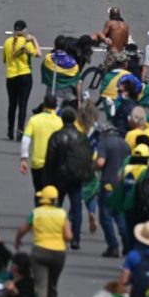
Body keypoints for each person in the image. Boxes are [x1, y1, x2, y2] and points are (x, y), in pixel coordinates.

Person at [14, 185, 73, 297]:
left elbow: (22, 230)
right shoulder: (62, 214)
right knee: (52, 286)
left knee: (41, 286)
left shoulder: (36, 213)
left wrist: (17, 240)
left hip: (40, 252)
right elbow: (69, 236)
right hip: (58, 253)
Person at [43, 106, 90, 249]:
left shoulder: (57, 136)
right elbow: (86, 157)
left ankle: (54, 234)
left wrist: (47, 179)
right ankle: (76, 239)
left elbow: (50, 158)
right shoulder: (81, 136)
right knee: (76, 208)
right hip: (76, 176)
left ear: (62, 119)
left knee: (55, 206)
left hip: (59, 177)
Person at [95, 123, 130, 258]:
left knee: (106, 216)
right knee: (120, 215)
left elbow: (100, 163)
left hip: (108, 183)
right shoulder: (124, 143)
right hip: (121, 184)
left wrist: (93, 167)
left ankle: (113, 246)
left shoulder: (104, 143)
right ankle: (127, 244)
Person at [3, 20, 40, 141]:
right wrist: (34, 39)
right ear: (24, 30)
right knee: (22, 105)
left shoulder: (7, 42)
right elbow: (38, 54)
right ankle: (20, 130)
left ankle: (10, 130)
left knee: (12, 104)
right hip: (25, 75)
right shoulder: (27, 42)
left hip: (11, 76)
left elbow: (5, 60)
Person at [20, 95, 63, 192]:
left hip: (37, 163)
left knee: (38, 192)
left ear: (44, 105)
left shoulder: (34, 120)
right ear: (56, 107)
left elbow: (25, 140)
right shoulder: (60, 122)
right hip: (54, 164)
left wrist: (23, 158)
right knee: (52, 193)